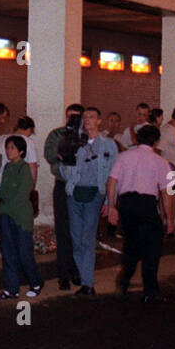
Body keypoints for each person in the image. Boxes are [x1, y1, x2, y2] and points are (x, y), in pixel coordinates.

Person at [105, 124, 175, 303]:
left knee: (132, 242)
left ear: (136, 139)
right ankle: (150, 290)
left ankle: (124, 280)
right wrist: (170, 220)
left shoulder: (123, 157)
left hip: (126, 203)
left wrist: (112, 206)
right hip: (146, 204)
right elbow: (167, 193)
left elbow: (112, 181)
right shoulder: (161, 162)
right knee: (152, 246)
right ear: (156, 141)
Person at [61, 106, 118, 297]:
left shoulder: (108, 145)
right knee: (76, 238)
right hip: (74, 193)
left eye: (92, 117)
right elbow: (65, 170)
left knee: (87, 237)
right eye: (85, 117)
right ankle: (84, 275)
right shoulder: (75, 142)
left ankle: (88, 283)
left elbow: (113, 174)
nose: (87, 120)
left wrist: (110, 202)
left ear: (99, 121)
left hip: (95, 193)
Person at [0, 136, 43, 300]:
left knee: (24, 252)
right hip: (7, 215)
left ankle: (35, 282)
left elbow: (21, 195)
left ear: (21, 151)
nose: (9, 151)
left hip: (20, 216)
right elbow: (5, 190)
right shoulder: (8, 168)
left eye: (13, 148)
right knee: (8, 252)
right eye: (7, 148)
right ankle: (11, 288)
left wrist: (1, 207)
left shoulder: (24, 169)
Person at [43, 102, 85, 289]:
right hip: (63, 184)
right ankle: (64, 274)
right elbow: (52, 156)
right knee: (63, 231)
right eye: (70, 116)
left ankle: (77, 270)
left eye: (76, 116)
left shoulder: (86, 135)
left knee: (80, 232)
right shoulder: (57, 135)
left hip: (81, 187)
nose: (72, 120)